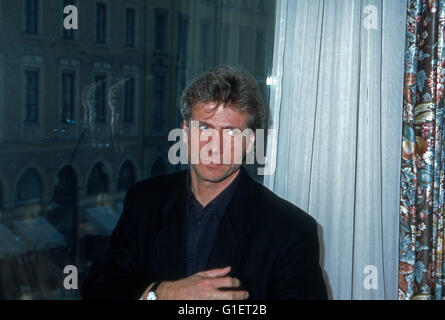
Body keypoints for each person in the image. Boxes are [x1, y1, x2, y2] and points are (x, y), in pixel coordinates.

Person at [81, 65, 327, 300]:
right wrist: (163, 294)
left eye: (231, 132)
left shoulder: (291, 230)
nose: (214, 147)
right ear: (185, 133)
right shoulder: (144, 201)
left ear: (250, 142)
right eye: (205, 129)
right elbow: (98, 286)